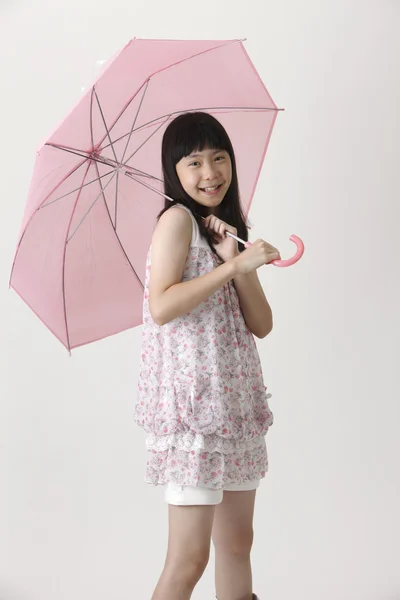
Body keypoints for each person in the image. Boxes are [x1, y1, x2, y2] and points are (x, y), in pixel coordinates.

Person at [134, 111, 280, 600]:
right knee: (189, 557)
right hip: (195, 414)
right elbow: (162, 306)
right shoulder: (176, 221)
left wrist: (237, 263)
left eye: (219, 158)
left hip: (234, 408)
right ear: (173, 171)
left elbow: (261, 324)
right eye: (193, 162)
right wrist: (232, 265)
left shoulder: (223, 231)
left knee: (238, 543)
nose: (210, 172)